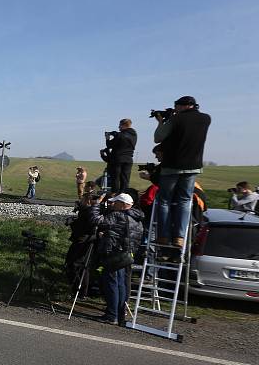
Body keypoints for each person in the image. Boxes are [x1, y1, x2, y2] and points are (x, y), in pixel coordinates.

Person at [153, 96, 211, 249]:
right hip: (193, 166)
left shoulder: (176, 119)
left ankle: (163, 236)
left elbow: (158, 137)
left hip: (172, 165)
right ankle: (180, 237)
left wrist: (162, 122)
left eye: (176, 106)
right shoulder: (206, 119)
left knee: (164, 200)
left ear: (183, 106)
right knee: (185, 200)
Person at [87, 193, 144, 325]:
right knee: (120, 284)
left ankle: (111, 314)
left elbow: (96, 220)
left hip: (113, 254)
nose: (113, 204)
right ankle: (119, 314)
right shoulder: (137, 218)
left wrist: (96, 205)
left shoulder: (118, 215)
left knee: (111, 283)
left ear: (123, 205)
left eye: (116, 202)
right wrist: (109, 234)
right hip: (126, 255)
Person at [106, 118, 138, 193]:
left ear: (124, 125)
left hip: (118, 159)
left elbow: (109, 145)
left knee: (116, 178)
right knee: (125, 179)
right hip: (129, 159)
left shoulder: (120, 135)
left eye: (120, 125)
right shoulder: (134, 135)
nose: (119, 127)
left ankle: (115, 194)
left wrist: (107, 138)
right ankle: (124, 194)